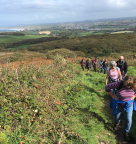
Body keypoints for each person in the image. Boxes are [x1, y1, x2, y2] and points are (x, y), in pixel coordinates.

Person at [105, 75, 136, 142]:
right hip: (119, 103)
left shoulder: (134, 85)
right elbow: (107, 87)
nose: (128, 87)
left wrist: (133, 97)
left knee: (129, 120)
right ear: (124, 81)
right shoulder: (120, 83)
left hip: (129, 104)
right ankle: (116, 124)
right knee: (117, 117)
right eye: (127, 85)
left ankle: (126, 132)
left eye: (130, 86)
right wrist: (112, 95)